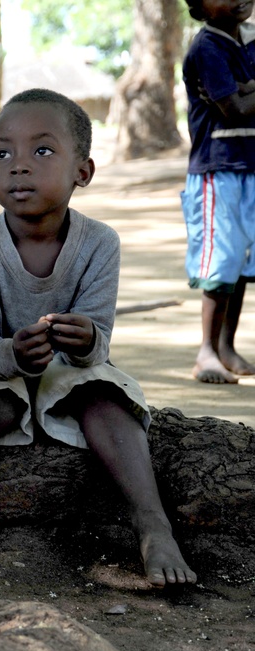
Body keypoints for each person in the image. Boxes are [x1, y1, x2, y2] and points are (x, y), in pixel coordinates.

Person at [0, 88, 196, 588]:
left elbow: (99, 347)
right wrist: (11, 353)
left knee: (106, 393)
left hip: (67, 373)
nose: (18, 166)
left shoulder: (99, 244)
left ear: (83, 172)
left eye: (42, 151)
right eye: (2, 153)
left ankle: (152, 525)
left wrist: (85, 336)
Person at [180, 0, 255, 384]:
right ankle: (206, 352)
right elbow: (237, 109)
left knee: (242, 263)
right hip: (218, 170)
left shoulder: (249, 39)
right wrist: (246, 90)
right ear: (200, 7)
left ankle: (226, 346)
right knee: (220, 262)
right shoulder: (207, 48)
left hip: (250, 167)